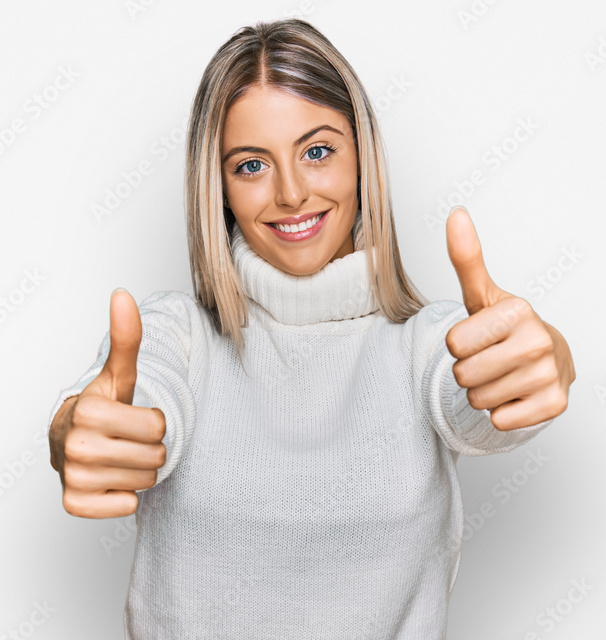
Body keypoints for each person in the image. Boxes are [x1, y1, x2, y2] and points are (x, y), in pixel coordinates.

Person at [46, 18, 575, 639]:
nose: (292, 193)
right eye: (250, 166)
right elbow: (130, 397)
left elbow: (476, 395)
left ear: (362, 158)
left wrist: (543, 363)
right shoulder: (180, 337)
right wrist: (76, 430)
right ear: (217, 187)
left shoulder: (429, 345)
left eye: (317, 151)